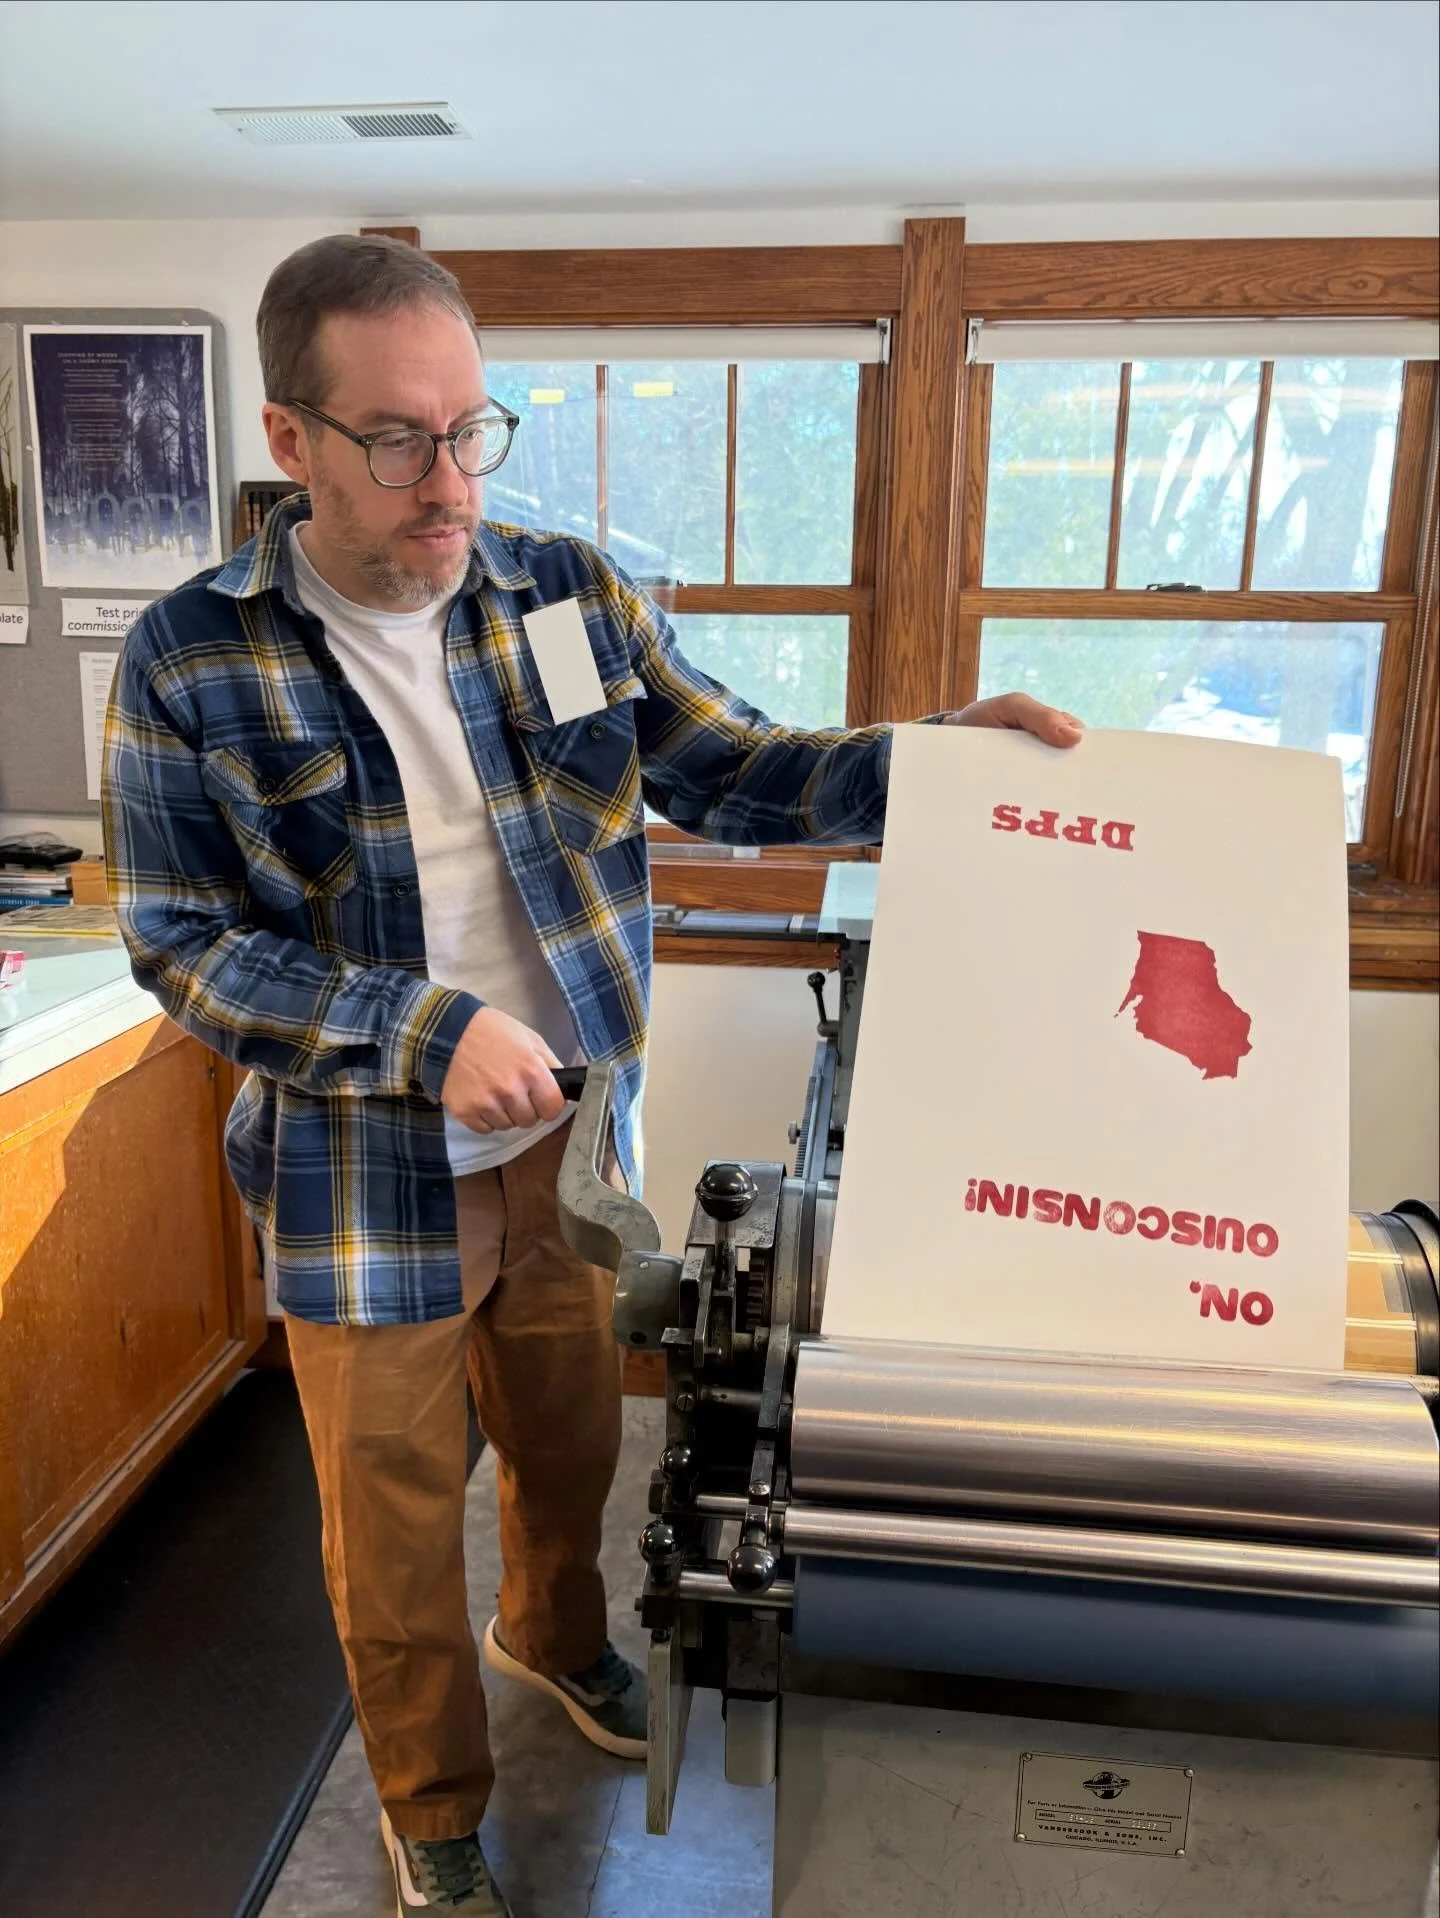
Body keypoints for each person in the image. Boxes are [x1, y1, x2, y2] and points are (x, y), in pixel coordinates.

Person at [101, 233, 1083, 1918]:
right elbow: (184, 944)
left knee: (569, 1449)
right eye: (397, 437)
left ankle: (550, 1639)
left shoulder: (565, 593)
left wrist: (928, 759)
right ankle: (428, 1805)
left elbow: (735, 765)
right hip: (361, 1177)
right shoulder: (191, 656)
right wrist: (427, 1031)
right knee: (395, 1533)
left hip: (569, 1146)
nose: (447, 480)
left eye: (472, 429)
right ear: (291, 439)